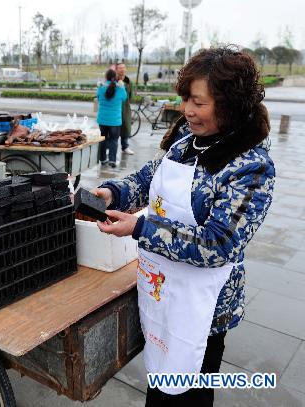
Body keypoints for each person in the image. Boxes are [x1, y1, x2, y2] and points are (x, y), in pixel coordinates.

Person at [91, 47, 274, 406]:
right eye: (186, 99)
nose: (187, 110)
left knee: (189, 391)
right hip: (163, 287)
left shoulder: (250, 166)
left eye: (198, 103)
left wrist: (141, 229)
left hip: (204, 307)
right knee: (160, 382)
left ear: (230, 104)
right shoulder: (186, 142)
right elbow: (148, 178)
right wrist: (111, 193)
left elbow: (218, 244)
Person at [96, 69, 128, 168]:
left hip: (102, 120)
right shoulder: (120, 88)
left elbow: (97, 97)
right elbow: (125, 98)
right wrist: (122, 86)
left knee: (103, 139)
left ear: (106, 77)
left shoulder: (101, 87)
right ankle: (112, 161)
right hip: (115, 121)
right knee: (114, 140)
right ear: (115, 77)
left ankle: (103, 159)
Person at [116, 62, 135, 155]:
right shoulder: (113, 81)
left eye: (123, 67)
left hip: (126, 108)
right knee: (114, 129)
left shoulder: (129, 81)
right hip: (115, 108)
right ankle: (111, 147)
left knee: (126, 127)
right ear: (117, 70)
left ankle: (125, 147)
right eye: (120, 68)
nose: (122, 69)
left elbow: (131, 96)